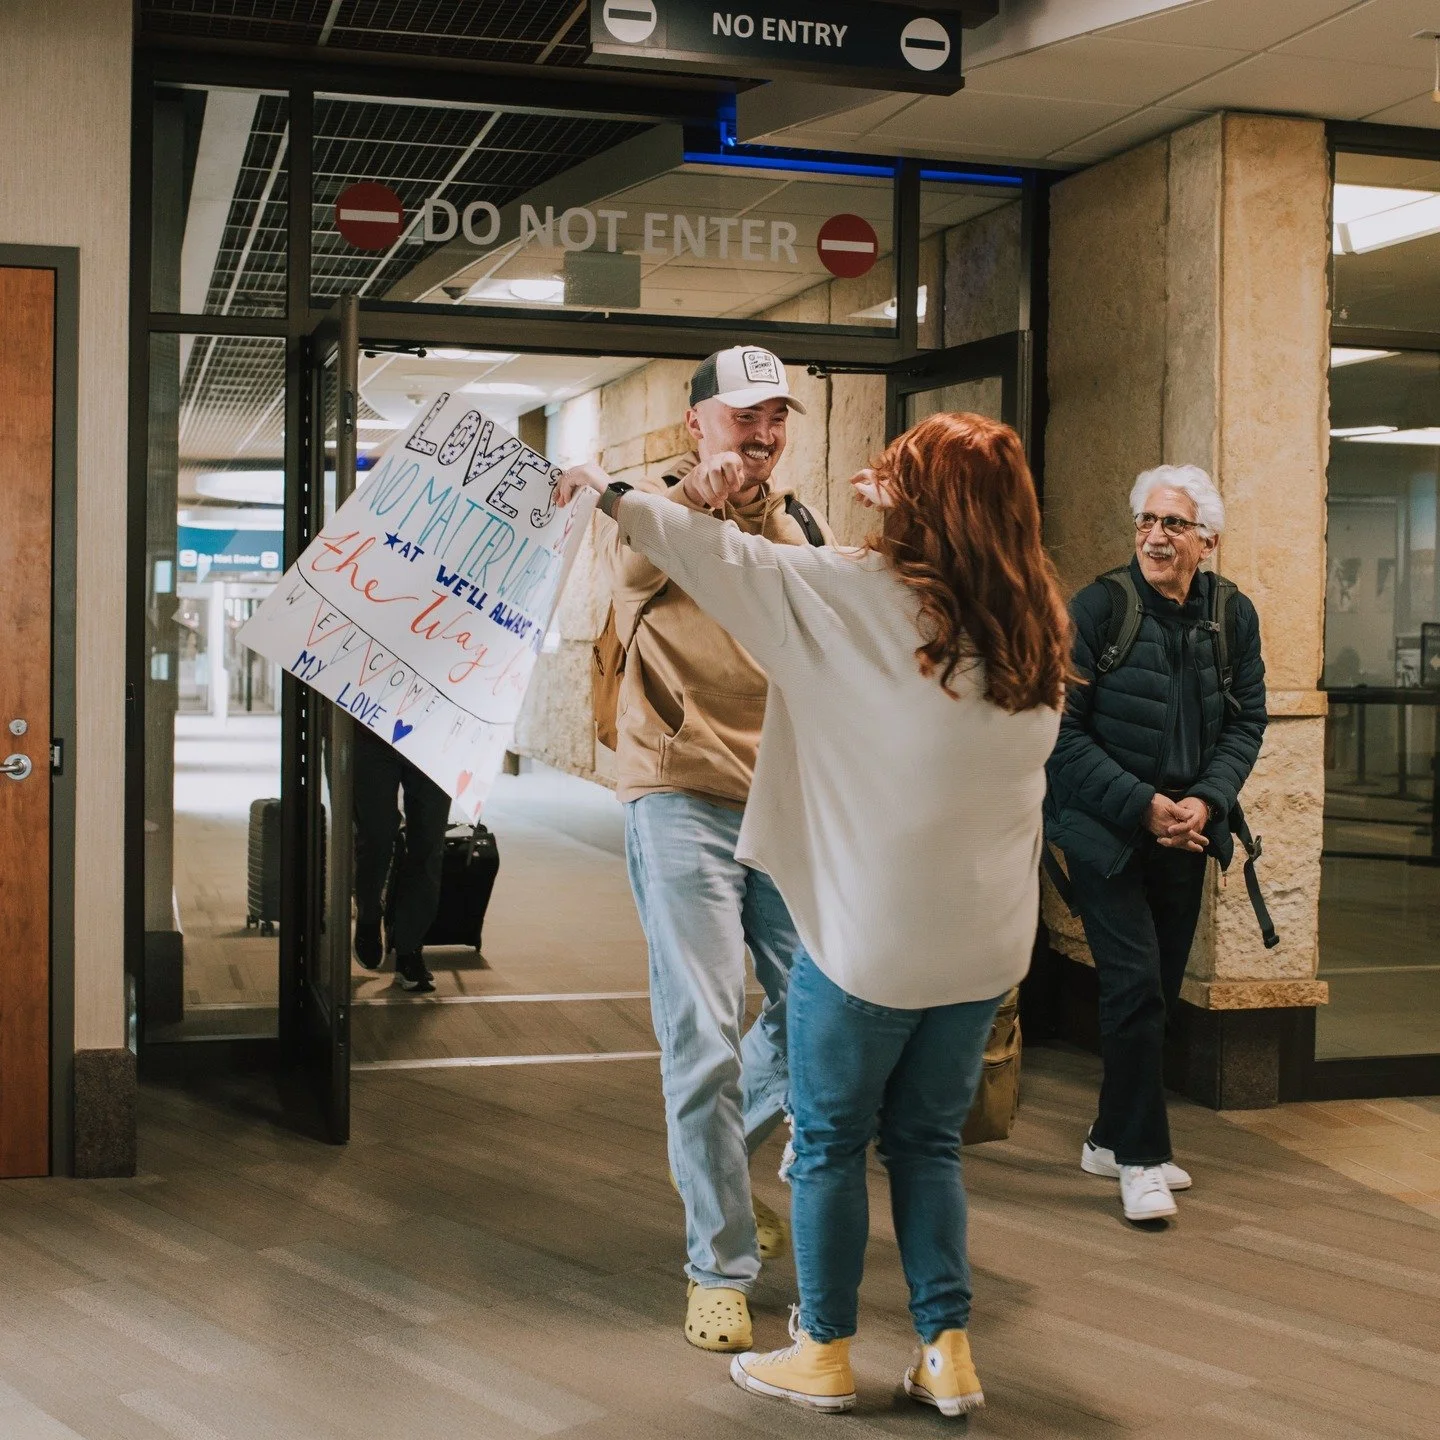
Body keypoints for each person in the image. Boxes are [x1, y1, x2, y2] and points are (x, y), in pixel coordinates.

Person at [560, 411, 1068, 1418]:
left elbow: (714, 553)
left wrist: (609, 492)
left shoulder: (852, 593)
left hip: (869, 939)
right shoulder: (1034, 616)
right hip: (984, 949)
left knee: (830, 1146)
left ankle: (825, 1351)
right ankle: (946, 1351)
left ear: (924, 504)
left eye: (899, 475)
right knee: (925, 1147)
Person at [597, 345, 829, 1353]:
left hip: (783, 798)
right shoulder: (650, 516)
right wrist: (691, 500)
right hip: (677, 796)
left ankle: (721, 1169)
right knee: (700, 1033)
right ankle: (719, 1265)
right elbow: (640, 561)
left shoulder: (799, 525)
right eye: (742, 418)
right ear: (696, 424)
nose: (761, 437)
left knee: (820, 1016)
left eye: (776, 417)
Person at [1045, 464, 1266, 1223]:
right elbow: (1060, 733)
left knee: (1158, 988)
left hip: (1189, 831)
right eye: (1146, 520)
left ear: (1208, 540)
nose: (1154, 536)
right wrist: (1143, 806)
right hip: (1105, 829)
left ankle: (1110, 1136)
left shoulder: (1231, 616)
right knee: (1134, 983)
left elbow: (1247, 722)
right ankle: (1140, 1158)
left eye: (1173, 524)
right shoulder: (1100, 608)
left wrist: (1206, 800)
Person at [352, 724, 452, 994]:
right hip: (373, 730)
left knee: (428, 845)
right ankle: (369, 913)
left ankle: (409, 949)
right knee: (376, 836)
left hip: (434, 736)